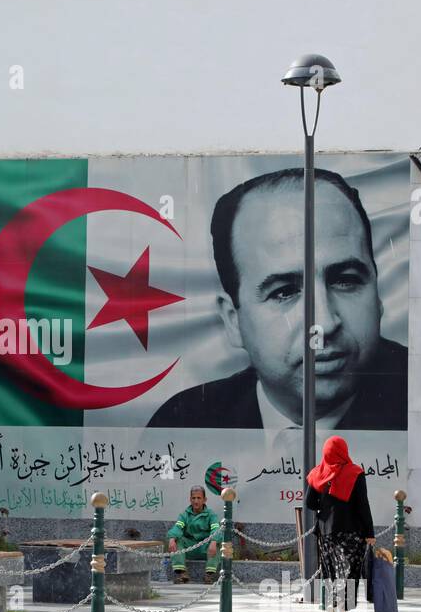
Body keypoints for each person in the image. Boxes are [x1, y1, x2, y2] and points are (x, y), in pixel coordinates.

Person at [148, 168, 406, 431]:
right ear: (233, 321)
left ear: (377, 291)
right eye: (284, 292)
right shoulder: (181, 425)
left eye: (346, 280)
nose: (324, 324)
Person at [304, 435, 391, 612]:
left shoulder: (317, 473)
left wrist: (325, 506)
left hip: (326, 531)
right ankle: (339, 608)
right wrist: (369, 532)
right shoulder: (355, 473)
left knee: (332, 571)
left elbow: (309, 503)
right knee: (349, 572)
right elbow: (362, 505)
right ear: (344, 451)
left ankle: (338, 610)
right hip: (352, 532)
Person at [167, 486, 222, 584]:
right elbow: (177, 527)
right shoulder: (185, 515)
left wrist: (213, 542)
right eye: (193, 498)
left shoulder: (211, 515)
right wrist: (172, 538)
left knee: (216, 542)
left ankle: (209, 575)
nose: (196, 501)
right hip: (190, 548)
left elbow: (216, 529)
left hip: (205, 548)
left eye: (199, 498)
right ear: (190, 500)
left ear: (204, 500)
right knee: (177, 540)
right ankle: (182, 574)